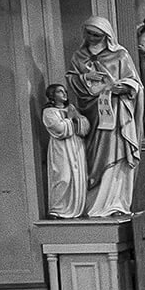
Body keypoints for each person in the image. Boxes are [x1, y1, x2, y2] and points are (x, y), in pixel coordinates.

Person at [68, 16, 142, 218]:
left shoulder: (119, 55)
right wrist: (85, 78)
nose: (92, 38)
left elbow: (135, 82)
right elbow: (71, 80)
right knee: (93, 156)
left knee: (116, 151)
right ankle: (94, 204)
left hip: (116, 113)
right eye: (89, 33)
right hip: (91, 113)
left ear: (106, 35)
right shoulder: (78, 56)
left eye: (97, 34)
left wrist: (123, 87)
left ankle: (115, 203)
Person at [41, 83, 89, 218]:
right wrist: (70, 118)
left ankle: (76, 209)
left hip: (76, 146)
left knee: (77, 177)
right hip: (61, 147)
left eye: (64, 91)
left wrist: (77, 119)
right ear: (52, 95)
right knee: (63, 177)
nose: (64, 94)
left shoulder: (71, 109)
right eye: (60, 92)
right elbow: (59, 129)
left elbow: (84, 127)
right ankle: (57, 209)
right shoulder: (49, 112)